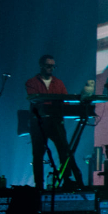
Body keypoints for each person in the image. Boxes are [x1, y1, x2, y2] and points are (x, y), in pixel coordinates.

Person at [25, 55, 83, 190]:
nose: (51, 68)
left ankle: (67, 180)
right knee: (38, 154)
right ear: (41, 65)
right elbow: (34, 99)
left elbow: (65, 102)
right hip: (39, 123)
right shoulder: (31, 82)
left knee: (64, 151)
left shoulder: (59, 83)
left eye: (53, 66)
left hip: (55, 121)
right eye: (48, 66)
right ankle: (39, 185)